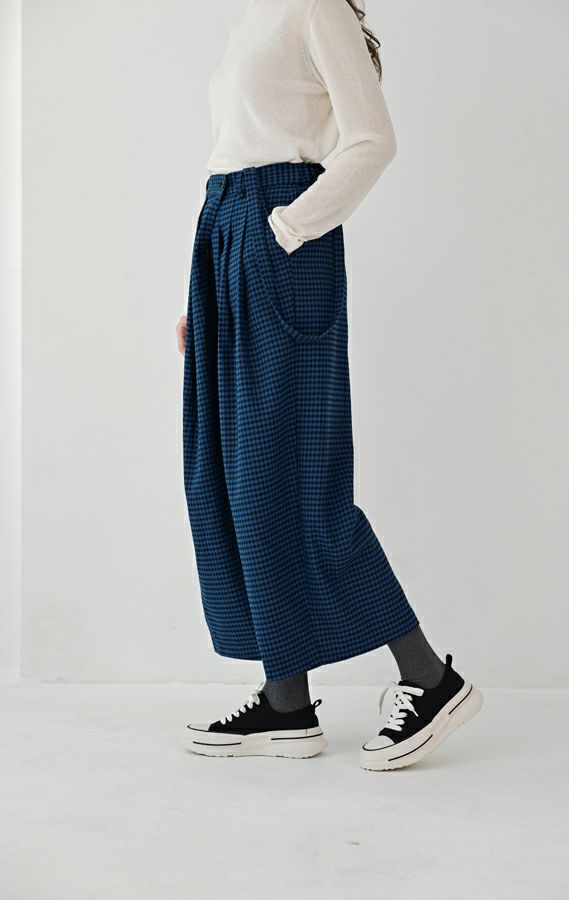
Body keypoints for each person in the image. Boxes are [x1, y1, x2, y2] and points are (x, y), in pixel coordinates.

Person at [176, 0, 482, 770]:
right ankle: (287, 701)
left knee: (299, 485)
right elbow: (238, 149)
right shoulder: (252, 17)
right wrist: (209, 291)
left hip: (279, 234)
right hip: (226, 231)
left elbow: (373, 139)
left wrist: (284, 229)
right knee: (233, 480)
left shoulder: (314, 7)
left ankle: (431, 678)